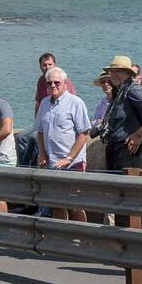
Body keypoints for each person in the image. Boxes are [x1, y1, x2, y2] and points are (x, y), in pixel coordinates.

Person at [35, 66, 91, 221]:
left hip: (73, 163)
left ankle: (81, 234)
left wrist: (69, 158)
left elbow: (83, 133)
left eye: (57, 83)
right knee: (56, 204)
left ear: (65, 83)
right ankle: (61, 236)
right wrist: (41, 152)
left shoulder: (75, 103)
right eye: (49, 83)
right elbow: (40, 131)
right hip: (52, 163)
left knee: (74, 204)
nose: (53, 86)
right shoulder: (44, 103)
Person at [101, 55, 142, 172]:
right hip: (115, 149)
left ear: (128, 73)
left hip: (129, 151)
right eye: (112, 71)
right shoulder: (120, 91)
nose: (114, 74)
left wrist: (138, 135)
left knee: (127, 188)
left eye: (118, 71)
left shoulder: (133, 89)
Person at [33, 52, 75, 118]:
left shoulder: (63, 80)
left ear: (54, 65)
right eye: (44, 65)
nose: (47, 67)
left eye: (50, 64)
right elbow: (38, 102)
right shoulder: (41, 81)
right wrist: (36, 120)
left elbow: (73, 101)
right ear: (40, 66)